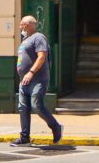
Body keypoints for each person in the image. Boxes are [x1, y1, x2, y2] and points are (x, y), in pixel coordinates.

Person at [11, 15, 62, 147]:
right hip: (24, 80)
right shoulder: (25, 40)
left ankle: (55, 126)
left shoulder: (38, 37)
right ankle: (24, 137)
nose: (20, 27)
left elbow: (42, 56)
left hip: (37, 80)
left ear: (28, 25)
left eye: (22, 24)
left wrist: (31, 72)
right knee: (23, 108)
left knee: (36, 105)